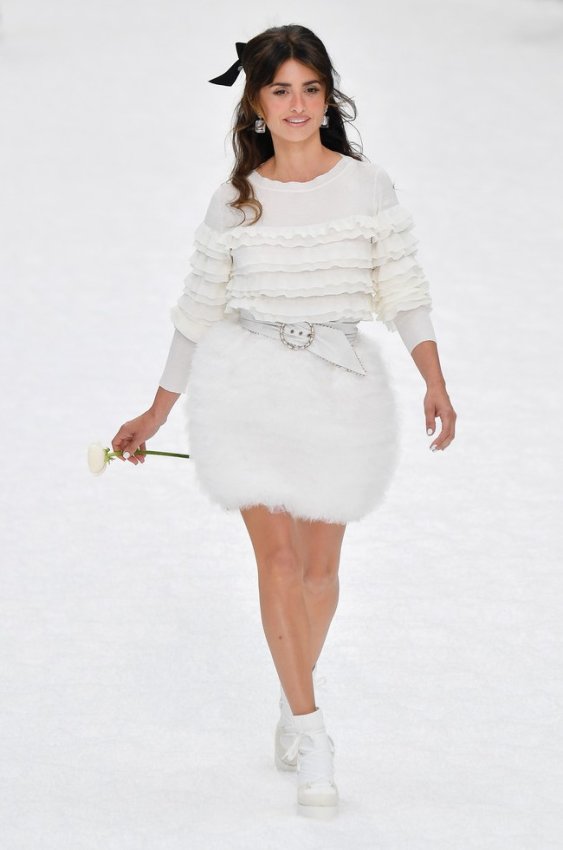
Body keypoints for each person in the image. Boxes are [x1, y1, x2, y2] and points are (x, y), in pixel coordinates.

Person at [111, 24, 456, 817]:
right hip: (247, 385)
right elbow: (198, 310)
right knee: (275, 563)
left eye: (309, 89)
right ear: (255, 105)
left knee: (319, 574)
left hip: (338, 389)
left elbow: (403, 288)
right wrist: (157, 411)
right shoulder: (236, 200)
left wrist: (434, 380)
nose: (296, 105)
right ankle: (311, 729)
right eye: (279, 90)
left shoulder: (367, 187)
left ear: (327, 97)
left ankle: (290, 688)